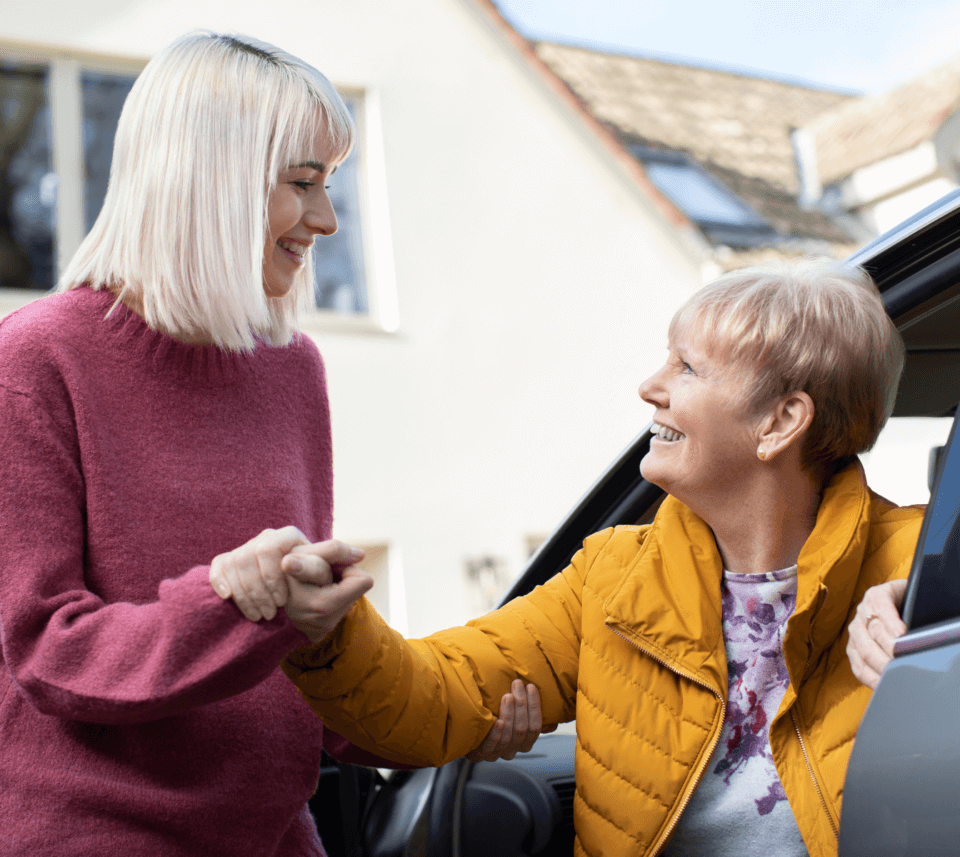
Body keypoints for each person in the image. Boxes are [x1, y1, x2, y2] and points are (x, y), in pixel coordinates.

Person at [0, 30, 524, 857]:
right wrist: (236, 604)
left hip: (276, 830)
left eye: (331, 186)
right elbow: (51, 652)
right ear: (208, 178)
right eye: (302, 184)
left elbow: (304, 647)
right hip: (90, 831)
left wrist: (449, 720)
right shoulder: (37, 357)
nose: (328, 221)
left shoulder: (293, 370)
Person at [218, 259, 924, 857]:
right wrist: (326, 631)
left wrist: (933, 628)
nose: (651, 385)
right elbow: (430, 693)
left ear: (779, 422)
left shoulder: (921, 557)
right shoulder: (614, 573)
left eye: (687, 367)